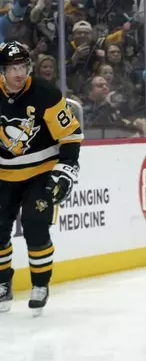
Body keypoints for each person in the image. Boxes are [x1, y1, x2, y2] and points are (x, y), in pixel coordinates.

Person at [0, 41, 83, 316]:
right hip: (3, 174)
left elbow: (70, 134)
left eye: (23, 66)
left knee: (35, 226)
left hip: (41, 171)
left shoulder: (45, 92)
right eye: (12, 68)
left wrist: (68, 166)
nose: (18, 73)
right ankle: (2, 283)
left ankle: (40, 285)